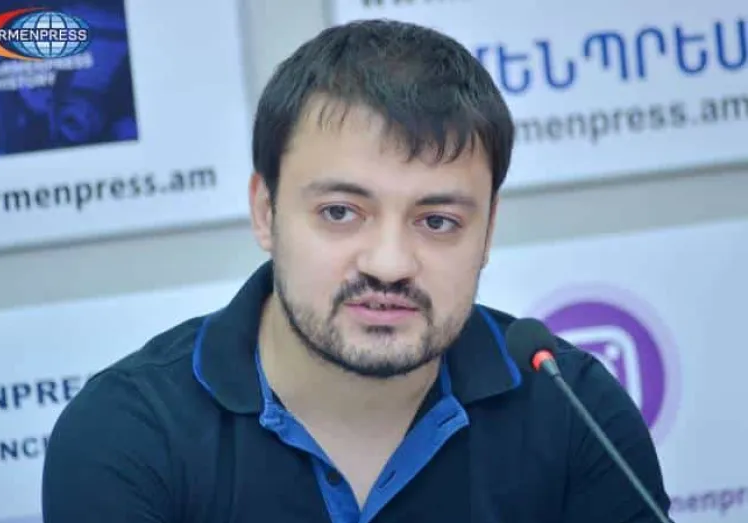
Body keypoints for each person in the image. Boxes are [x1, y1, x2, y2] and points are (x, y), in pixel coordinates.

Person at [41, 19, 674, 523]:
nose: (389, 264)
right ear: (266, 212)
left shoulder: (575, 411)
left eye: (437, 221)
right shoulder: (127, 431)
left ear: (487, 232)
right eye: (340, 212)